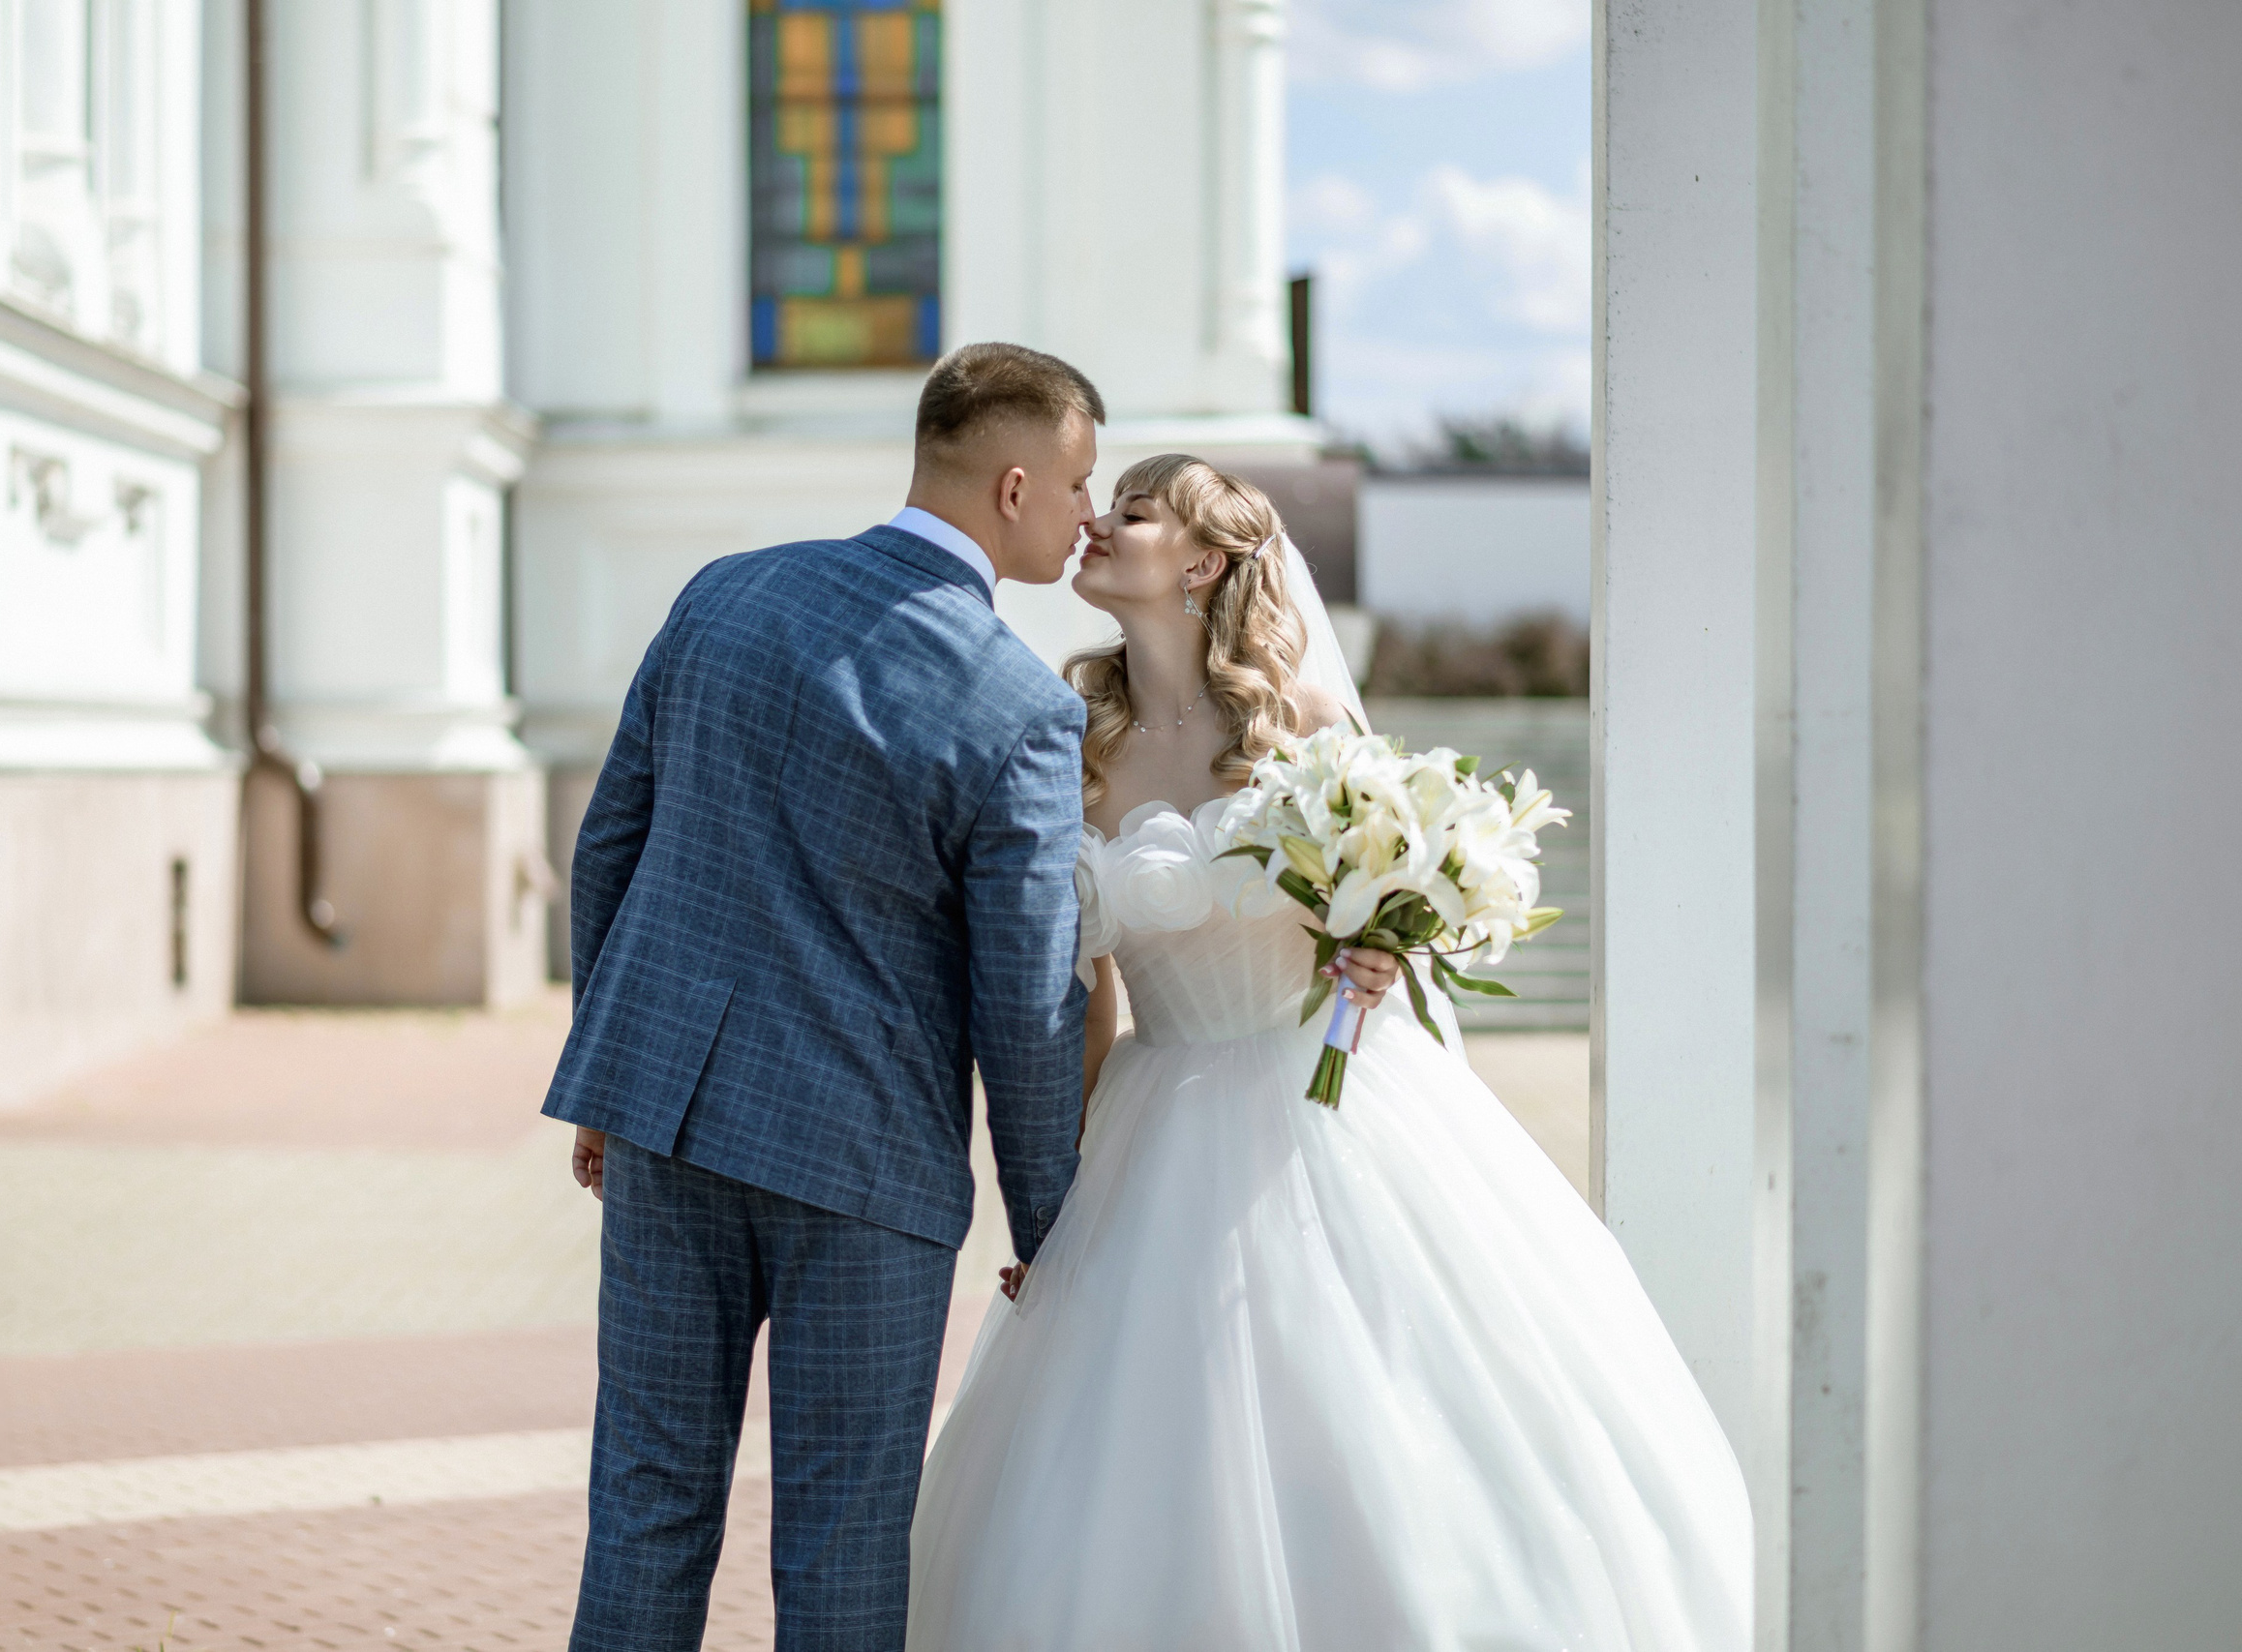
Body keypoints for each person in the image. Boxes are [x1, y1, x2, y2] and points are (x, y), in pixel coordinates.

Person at [906, 456, 1754, 1650]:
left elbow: (1389, 887)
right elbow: (1080, 988)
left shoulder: (1297, 722)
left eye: (1133, 513)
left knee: (1366, 1406)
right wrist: (1055, 1198)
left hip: (1334, 1107)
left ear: (1203, 561)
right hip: (1155, 1115)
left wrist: (1385, 954)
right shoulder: (1073, 732)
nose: (1095, 522)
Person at [543, 343, 1107, 1652]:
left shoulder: (724, 595)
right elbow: (1023, 998)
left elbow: (607, 846)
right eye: (1080, 485)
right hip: (866, 1173)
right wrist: (1051, 1221)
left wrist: (607, 1079)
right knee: (846, 1534)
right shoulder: (1023, 708)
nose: (1087, 514)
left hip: (669, 1126)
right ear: (1015, 486)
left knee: (644, 1502)